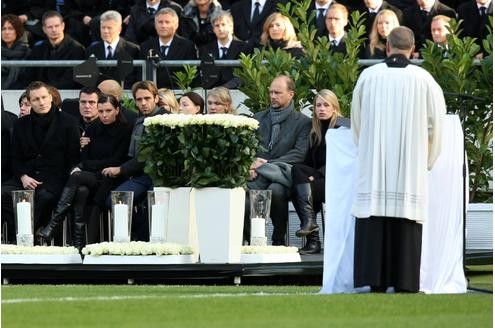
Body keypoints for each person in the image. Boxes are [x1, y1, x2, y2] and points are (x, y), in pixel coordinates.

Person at [351, 26, 445, 293]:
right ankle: (405, 281)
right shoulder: (424, 79)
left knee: (375, 212)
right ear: (413, 48)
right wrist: (428, 158)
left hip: (375, 164)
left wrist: (366, 148)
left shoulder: (368, 77)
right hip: (410, 167)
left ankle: (376, 280)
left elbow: (357, 120)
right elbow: (436, 124)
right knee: (405, 214)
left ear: (387, 46)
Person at [37, 94, 132, 251]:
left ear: (117, 110)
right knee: (80, 187)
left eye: (108, 110)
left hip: (112, 177)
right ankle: (80, 245)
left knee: (78, 181)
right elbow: (85, 157)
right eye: (101, 111)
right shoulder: (93, 128)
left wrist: (90, 165)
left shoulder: (125, 130)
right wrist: (91, 164)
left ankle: (56, 226)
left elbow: (116, 160)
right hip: (92, 176)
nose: (104, 115)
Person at [1, 81, 80, 244]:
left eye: (44, 97)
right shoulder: (20, 124)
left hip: (53, 179)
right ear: (30, 102)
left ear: (51, 97)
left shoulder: (69, 122)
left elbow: (72, 157)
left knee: (44, 198)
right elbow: (14, 157)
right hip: (25, 177)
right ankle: (21, 233)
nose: (41, 102)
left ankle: (24, 237)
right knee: (3, 196)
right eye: (36, 99)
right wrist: (23, 176)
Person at [245, 75, 312, 245]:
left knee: (276, 190)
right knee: (243, 194)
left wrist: (266, 164)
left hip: (283, 175)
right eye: (271, 92)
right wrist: (250, 165)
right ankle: (248, 240)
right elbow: (247, 148)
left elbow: (298, 154)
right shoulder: (258, 118)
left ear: (291, 94)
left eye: (278, 93)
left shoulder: (303, 122)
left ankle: (278, 240)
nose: (273, 96)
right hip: (257, 175)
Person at [101, 81, 168, 241]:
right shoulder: (139, 120)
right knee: (115, 200)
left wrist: (121, 169)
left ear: (156, 98)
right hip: (141, 176)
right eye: (139, 99)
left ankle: (143, 240)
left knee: (150, 207)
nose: (143, 103)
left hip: (160, 176)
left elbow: (149, 154)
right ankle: (139, 237)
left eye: (147, 98)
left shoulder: (165, 119)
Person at [291, 89, 343, 254]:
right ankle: (310, 223)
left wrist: (316, 175)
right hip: (319, 180)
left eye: (326, 105)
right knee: (298, 171)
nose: (321, 109)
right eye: (318, 105)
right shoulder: (315, 131)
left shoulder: (342, 128)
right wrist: (308, 177)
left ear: (334, 108)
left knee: (299, 191)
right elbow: (307, 163)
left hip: (337, 180)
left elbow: (342, 161)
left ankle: (313, 240)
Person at [24, 11, 86, 89]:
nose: (54, 30)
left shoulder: (77, 49)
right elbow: (30, 74)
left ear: (63, 26)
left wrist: (46, 89)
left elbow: (70, 79)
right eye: (50, 27)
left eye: (57, 26)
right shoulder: (38, 49)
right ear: (44, 29)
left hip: (66, 93)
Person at [139, 7, 197, 89]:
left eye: (167, 22)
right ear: (155, 25)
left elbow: (191, 76)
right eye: (160, 22)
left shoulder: (187, 46)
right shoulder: (145, 46)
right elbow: (140, 74)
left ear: (176, 25)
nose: (163, 25)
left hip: (179, 94)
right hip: (153, 94)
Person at [85, 10, 140, 87]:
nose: (105, 31)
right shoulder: (91, 50)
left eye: (109, 28)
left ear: (119, 29)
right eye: (103, 27)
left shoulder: (132, 49)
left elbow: (134, 76)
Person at [198, 10, 251, 89]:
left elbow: (244, 75)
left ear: (231, 26)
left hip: (237, 92)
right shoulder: (205, 49)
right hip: (211, 92)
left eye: (223, 24)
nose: (220, 28)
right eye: (217, 25)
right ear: (213, 29)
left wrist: (224, 88)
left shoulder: (244, 48)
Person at [1, 14, 30, 90]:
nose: (6, 32)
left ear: (17, 30)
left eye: (10, 29)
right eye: (3, 29)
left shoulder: (27, 53)